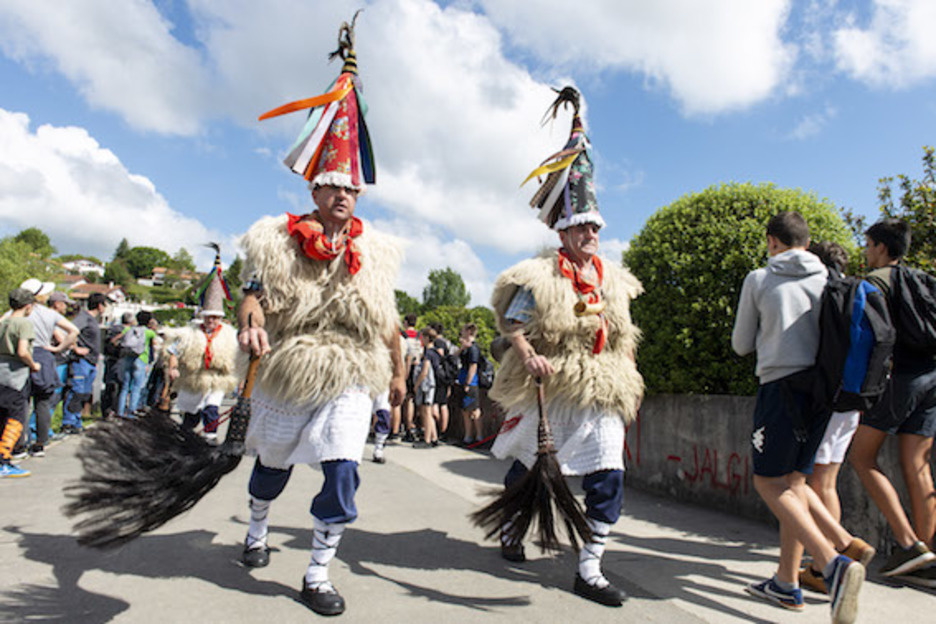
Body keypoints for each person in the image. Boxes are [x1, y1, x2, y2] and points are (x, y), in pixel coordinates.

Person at [238, 17, 404, 616]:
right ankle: (257, 528)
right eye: (332, 186)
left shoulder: (376, 253)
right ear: (314, 192)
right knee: (272, 467)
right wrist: (251, 320)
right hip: (292, 364)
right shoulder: (277, 242)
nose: (342, 196)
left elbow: (385, 319)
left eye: (350, 190)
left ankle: (316, 573)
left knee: (342, 469)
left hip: (351, 371)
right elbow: (252, 293)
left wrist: (398, 372)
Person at [486, 87, 643, 607]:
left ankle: (590, 567)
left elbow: (622, 336)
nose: (592, 231)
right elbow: (513, 322)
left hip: (602, 387)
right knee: (530, 465)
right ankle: (512, 522)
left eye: (596, 225)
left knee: (608, 475)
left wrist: (631, 381)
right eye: (582, 226)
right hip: (553, 382)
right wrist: (527, 351)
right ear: (565, 231)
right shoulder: (542, 276)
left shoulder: (615, 280)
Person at [732, 211, 864, 623]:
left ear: (772, 241)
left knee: (767, 481)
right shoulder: (828, 277)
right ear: (806, 242)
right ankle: (789, 582)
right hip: (823, 392)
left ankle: (833, 563)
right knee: (794, 482)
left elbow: (740, 345)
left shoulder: (759, 278)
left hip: (780, 388)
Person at [848, 218, 936, 585]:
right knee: (917, 464)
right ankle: (928, 561)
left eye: (868, 245)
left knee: (861, 457)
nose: (866, 251)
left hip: (899, 380)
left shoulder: (876, 283)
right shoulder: (927, 280)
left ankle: (908, 542)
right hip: (933, 377)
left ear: (882, 248)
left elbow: (874, 340)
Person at [797, 242, 877, 593]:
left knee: (797, 481)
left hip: (825, 399)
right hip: (854, 399)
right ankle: (821, 561)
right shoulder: (859, 290)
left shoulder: (825, 294)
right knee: (826, 483)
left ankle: (835, 552)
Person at [165, 259, 238, 441]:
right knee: (191, 412)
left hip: (217, 378)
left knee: (212, 408)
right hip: (194, 377)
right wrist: (173, 367)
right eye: (208, 317)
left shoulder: (229, 334)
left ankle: (210, 437)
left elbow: (238, 356)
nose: (211, 321)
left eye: (215, 318)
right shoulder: (190, 333)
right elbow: (173, 350)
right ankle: (185, 436)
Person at [20, 280, 79, 457]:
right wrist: (59, 349)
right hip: (44, 355)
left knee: (21, 403)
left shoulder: (18, 313)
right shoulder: (49, 314)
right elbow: (73, 331)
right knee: (43, 402)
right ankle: (40, 443)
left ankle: (19, 442)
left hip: (22, 355)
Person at [0, 288, 41, 478]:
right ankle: (4, 460)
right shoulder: (23, 324)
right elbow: (23, 351)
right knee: (15, 418)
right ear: (28, 306)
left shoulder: (2, 321)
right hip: (15, 375)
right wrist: (33, 365)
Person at [61, 293, 108, 434]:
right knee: (77, 391)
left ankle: (77, 421)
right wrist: (75, 348)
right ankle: (68, 422)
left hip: (91, 362)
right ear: (100, 305)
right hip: (81, 361)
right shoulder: (84, 318)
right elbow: (70, 330)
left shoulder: (93, 320)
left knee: (85, 393)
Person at [114, 312, 155, 418]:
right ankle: (131, 411)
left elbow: (116, 339)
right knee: (136, 387)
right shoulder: (149, 332)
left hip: (127, 358)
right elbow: (155, 343)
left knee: (125, 387)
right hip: (141, 359)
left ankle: (120, 411)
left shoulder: (128, 329)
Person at [456, 323, 483, 446]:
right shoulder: (467, 348)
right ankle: (469, 436)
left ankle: (477, 436)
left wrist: (467, 382)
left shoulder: (473, 348)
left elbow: (473, 366)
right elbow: (454, 356)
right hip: (464, 380)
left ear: (468, 332)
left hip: (471, 382)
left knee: (473, 410)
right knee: (465, 410)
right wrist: (462, 347)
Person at [412, 327, 438, 448]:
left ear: (427, 338)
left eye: (423, 337)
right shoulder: (436, 352)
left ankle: (427, 439)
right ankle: (434, 437)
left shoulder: (428, 353)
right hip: (432, 386)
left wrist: (416, 385)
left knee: (427, 412)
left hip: (427, 386)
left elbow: (424, 371)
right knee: (429, 412)